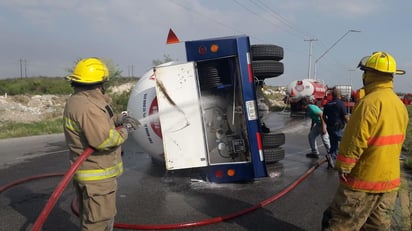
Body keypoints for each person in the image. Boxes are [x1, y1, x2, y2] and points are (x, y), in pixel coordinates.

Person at [322, 52, 408, 230]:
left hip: (363, 181)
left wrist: (344, 166)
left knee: (342, 223)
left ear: (369, 74)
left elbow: (355, 139)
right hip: (389, 182)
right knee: (377, 226)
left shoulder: (369, 103)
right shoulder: (399, 105)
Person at [63, 57, 140, 231]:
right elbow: (104, 140)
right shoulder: (87, 107)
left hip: (93, 175)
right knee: (97, 223)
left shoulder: (82, 101)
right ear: (99, 83)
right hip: (97, 177)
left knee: (97, 218)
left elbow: (101, 123)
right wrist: (125, 130)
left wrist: (119, 119)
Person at [322, 88, 350, 168]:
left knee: (334, 145)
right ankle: (345, 161)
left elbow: (323, 116)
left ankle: (330, 157)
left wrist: (327, 122)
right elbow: (345, 117)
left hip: (330, 127)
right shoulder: (340, 104)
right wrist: (350, 126)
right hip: (338, 128)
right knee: (346, 141)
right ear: (340, 96)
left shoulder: (328, 104)